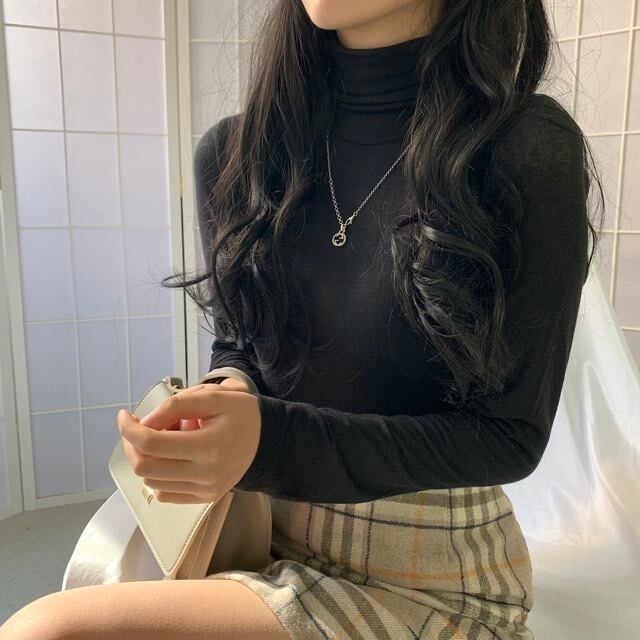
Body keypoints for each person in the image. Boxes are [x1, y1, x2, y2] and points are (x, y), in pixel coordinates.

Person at [0, 0, 604, 638]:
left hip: (429, 573)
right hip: (256, 537)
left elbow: (510, 436)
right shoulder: (237, 153)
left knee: (48, 630)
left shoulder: (522, 147)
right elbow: (240, 344)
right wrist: (224, 397)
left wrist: (266, 442)